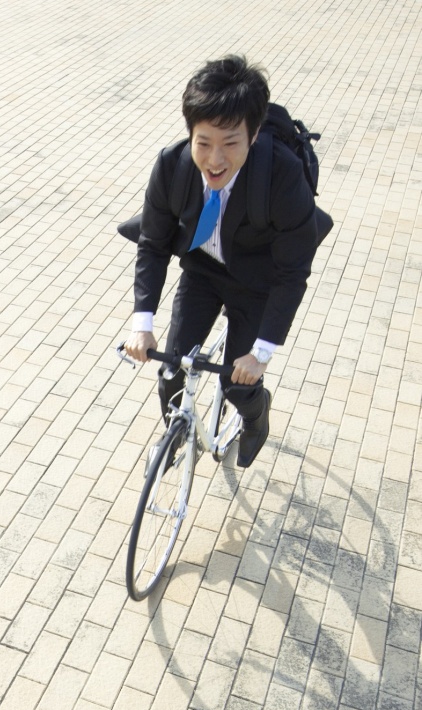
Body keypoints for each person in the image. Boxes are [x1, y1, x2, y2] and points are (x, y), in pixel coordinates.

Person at [124, 55, 323, 468]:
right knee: (171, 373)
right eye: (204, 142)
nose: (215, 159)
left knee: (237, 384)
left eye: (230, 143)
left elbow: (292, 273)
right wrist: (142, 324)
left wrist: (262, 353)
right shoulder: (171, 164)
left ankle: (256, 417)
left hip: (260, 280)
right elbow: (154, 244)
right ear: (190, 134)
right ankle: (179, 431)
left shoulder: (282, 178)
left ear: (252, 138)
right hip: (203, 270)